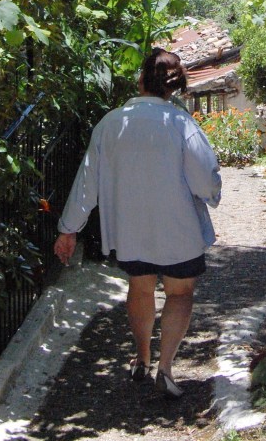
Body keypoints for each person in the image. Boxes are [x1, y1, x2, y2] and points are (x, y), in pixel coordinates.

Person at [53, 48, 222, 399]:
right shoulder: (181, 124)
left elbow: (87, 182)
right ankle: (166, 368)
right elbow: (205, 179)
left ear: (141, 79)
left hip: (130, 229)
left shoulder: (111, 123)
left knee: (140, 288)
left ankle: (142, 358)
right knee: (180, 293)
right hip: (179, 228)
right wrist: (211, 195)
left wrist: (69, 229)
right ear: (173, 86)